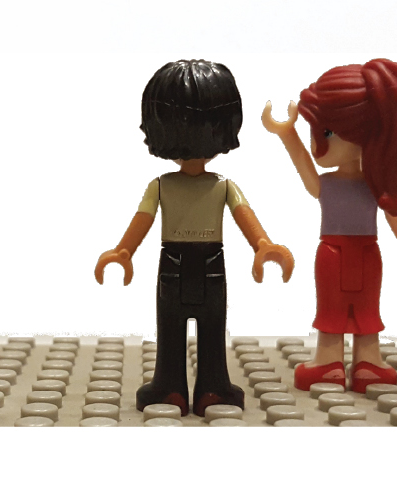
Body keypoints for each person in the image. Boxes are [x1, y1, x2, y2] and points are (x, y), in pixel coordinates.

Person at [95, 59, 294, 415]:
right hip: (202, 264)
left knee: (198, 329)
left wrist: (262, 245)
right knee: (186, 328)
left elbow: (243, 215)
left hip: (180, 265)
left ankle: (183, 387)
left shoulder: (209, 185)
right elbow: (144, 218)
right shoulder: (173, 185)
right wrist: (123, 251)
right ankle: (199, 388)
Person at [262, 58, 397, 393]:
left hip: (361, 254)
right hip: (335, 255)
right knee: (331, 311)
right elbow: (305, 168)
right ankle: (330, 362)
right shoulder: (330, 184)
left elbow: (393, 213)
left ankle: (366, 362)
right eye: (318, 132)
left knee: (367, 311)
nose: (318, 144)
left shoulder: (374, 186)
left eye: (327, 132)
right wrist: (287, 133)